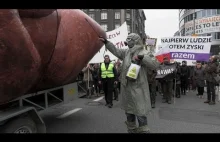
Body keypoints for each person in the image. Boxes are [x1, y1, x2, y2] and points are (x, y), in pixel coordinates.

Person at [99, 33, 160, 133]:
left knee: (140, 113)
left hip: (138, 89)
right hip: (127, 89)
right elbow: (116, 51)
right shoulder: (126, 52)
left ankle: (143, 131)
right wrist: (107, 42)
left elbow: (155, 64)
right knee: (129, 114)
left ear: (135, 41)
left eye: (129, 40)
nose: (127, 43)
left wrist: (143, 58)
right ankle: (131, 131)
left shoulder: (144, 52)